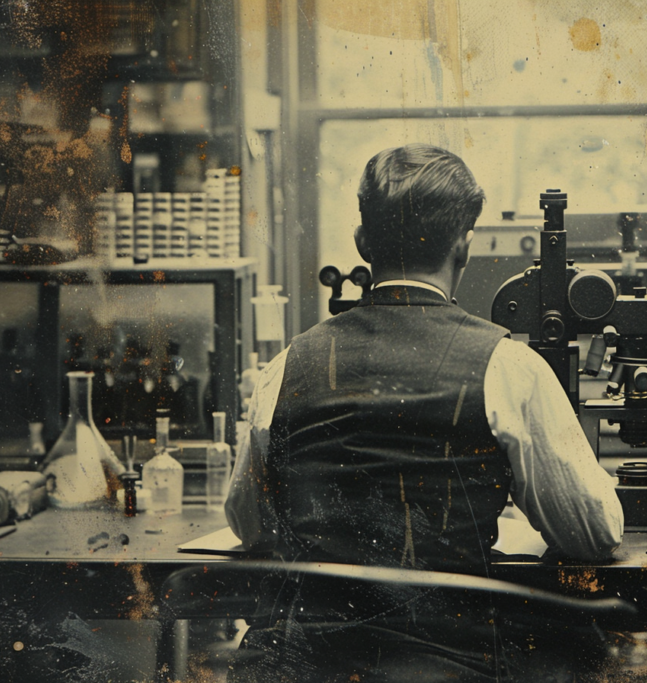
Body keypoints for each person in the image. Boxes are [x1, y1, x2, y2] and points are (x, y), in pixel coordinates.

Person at [225, 143, 624, 681]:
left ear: (363, 241)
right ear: (464, 246)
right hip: (451, 666)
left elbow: (249, 524)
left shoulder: (285, 368)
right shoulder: (508, 368)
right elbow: (592, 532)